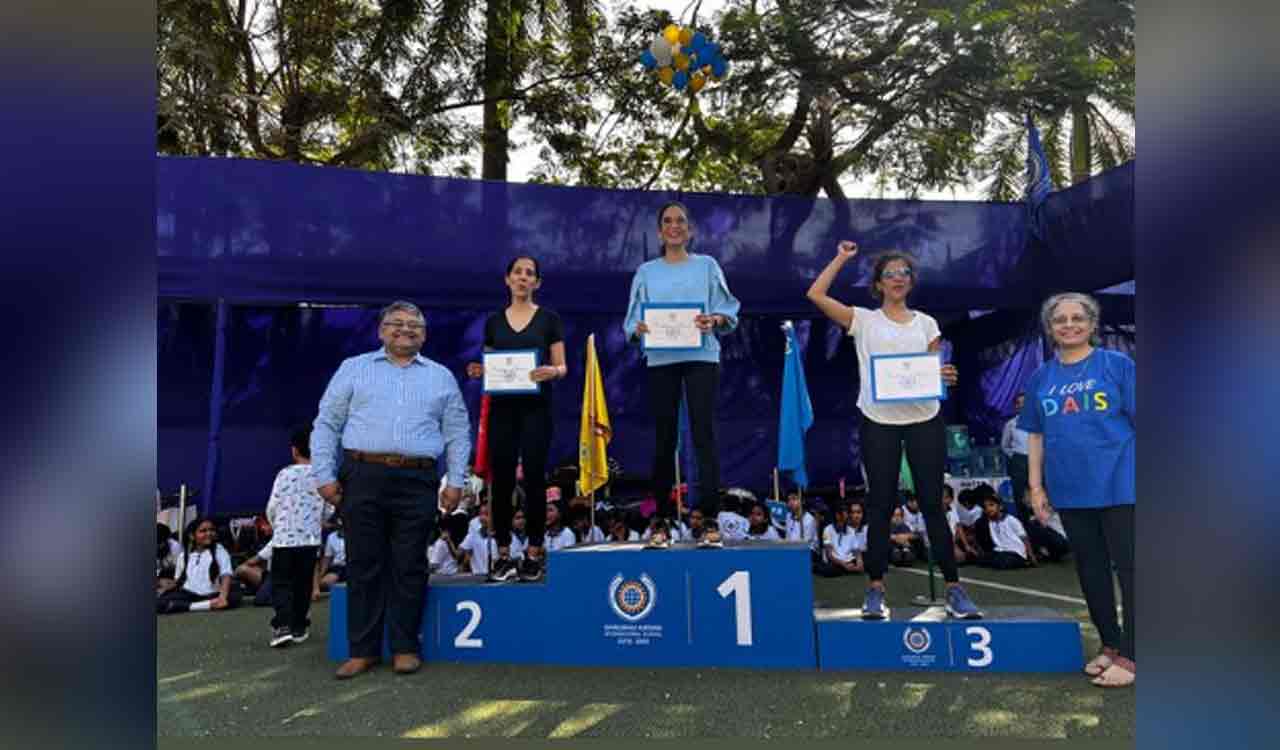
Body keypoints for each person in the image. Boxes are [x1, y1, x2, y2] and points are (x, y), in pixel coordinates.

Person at [807, 240, 982, 620]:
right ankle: (875, 589)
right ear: (878, 284)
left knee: (934, 504)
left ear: (911, 281)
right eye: (890, 274)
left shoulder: (927, 324)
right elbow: (815, 293)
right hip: (879, 422)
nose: (898, 278)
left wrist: (943, 375)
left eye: (904, 272)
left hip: (925, 420)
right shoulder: (863, 320)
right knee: (880, 506)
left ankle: (954, 589)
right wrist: (841, 257)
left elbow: (930, 372)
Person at [311, 300, 471, 680]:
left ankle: (404, 647)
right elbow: (327, 423)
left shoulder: (441, 377)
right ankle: (362, 651)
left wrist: (457, 481)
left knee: (410, 563)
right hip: (362, 473)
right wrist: (323, 474)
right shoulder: (354, 369)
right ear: (381, 330)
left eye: (414, 325)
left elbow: (457, 432)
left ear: (424, 334)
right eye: (396, 324)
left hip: (419, 479)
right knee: (364, 563)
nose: (405, 330)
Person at [1019, 292, 1135, 688]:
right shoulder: (1040, 378)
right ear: (1050, 329)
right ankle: (1111, 646)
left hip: (1123, 483)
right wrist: (1036, 487)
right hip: (1069, 489)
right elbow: (1034, 434)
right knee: (1091, 571)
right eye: (1060, 320)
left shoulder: (1117, 365)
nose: (1069, 325)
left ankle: (1135, 656)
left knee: (1133, 571)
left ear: (1092, 323)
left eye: (1077, 318)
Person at [623, 201, 741, 537]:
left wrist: (715, 319)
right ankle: (660, 517)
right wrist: (639, 329)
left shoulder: (707, 266)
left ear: (689, 230)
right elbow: (631, 321)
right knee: (664, 437)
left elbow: (727, 310)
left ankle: (709, 518)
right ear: (660, 231)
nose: (675, 226)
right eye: (668, 221)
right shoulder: (646, 272)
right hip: (661, 360)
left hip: (702, 357)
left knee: (704, 433)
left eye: (681, 221)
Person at [465, 256, 567, 583]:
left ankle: (534, 553)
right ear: (507, 279)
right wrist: (479, 370)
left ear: (537, 283)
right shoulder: (494, 322)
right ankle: (504, 554)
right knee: (502, 481)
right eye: (518, 272)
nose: (523, 278)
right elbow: (491, 363)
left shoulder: (549, 319)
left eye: (530, 274)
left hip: (537, 409)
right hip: (502, 410)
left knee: (535, 479)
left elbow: (562, 366)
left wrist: (553, 371)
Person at [262, 423, 326, 647]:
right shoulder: (322, 475)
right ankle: (299, 625)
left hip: (284, 539)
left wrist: (276, 524)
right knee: (303, 583)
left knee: (281, 583)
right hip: (310, 539)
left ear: (294, 450)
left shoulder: (284, 474)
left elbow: (272, 506)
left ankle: (283, 626)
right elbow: (328, 507)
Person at [156, 519, 241, 614]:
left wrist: (222, 597)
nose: (209, 533)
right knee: (158, 602)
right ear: (192, 536)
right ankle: (205, 605)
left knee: (234, 595)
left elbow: (226, 575)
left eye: (211, 530)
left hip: (212, 594)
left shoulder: (220, 550)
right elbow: (178, 581)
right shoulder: (183, 556)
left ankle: (190, 605)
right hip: (189, 595)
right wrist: (164, 589)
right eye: (203, 531)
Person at [975, 494, 1036, 569]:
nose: (988, 509)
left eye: (991, 505)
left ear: (1000, 507)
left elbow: (1024, 538)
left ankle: (1024, 562)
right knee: (981, 560)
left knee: (1003, 562)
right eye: (986, 507)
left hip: (1015, 552)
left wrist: (1031, 555)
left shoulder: (1011, 520)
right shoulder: (990, 522)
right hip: (1001, 551)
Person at [1001, 392, 1032, 521]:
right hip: (1019, 461)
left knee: (1039, 491)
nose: (1022, 405)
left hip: (1037, 460)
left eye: (1025, 402)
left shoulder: (1040, 421)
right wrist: (1014, 456)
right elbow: (1004, 445)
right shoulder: (1011, 424)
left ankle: (1043, 524)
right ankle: (1024, 523)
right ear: (1015, 406)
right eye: (1019, 403)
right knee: (1019, 494)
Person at [816, 502, 863, 577]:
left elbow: (857, 551)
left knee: (868, 561)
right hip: (835, 562)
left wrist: (860, 562)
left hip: (848, 560)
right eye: (843, 517)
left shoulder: (851, 530)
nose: (846, 520)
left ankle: (848, 569)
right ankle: (847, 570)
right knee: (828, 570)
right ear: (837, 516)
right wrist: (844, 565)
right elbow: (829, 555)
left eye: (846, 518)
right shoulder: (827, 530)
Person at [784, 491, 820, 562]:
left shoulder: (809, 519)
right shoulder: (788, 516)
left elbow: (806, 543)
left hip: (808, 551)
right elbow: (787, 537)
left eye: (794, 499)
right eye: (789, 500)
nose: (791, 502)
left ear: (802, 501)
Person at [314, 522, 347, 595]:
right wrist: (320, 575)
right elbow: (327, 559)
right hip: (337, 567)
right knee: (324, 582)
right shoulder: (331, 537)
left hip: (351, 566)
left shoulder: (355, 536)